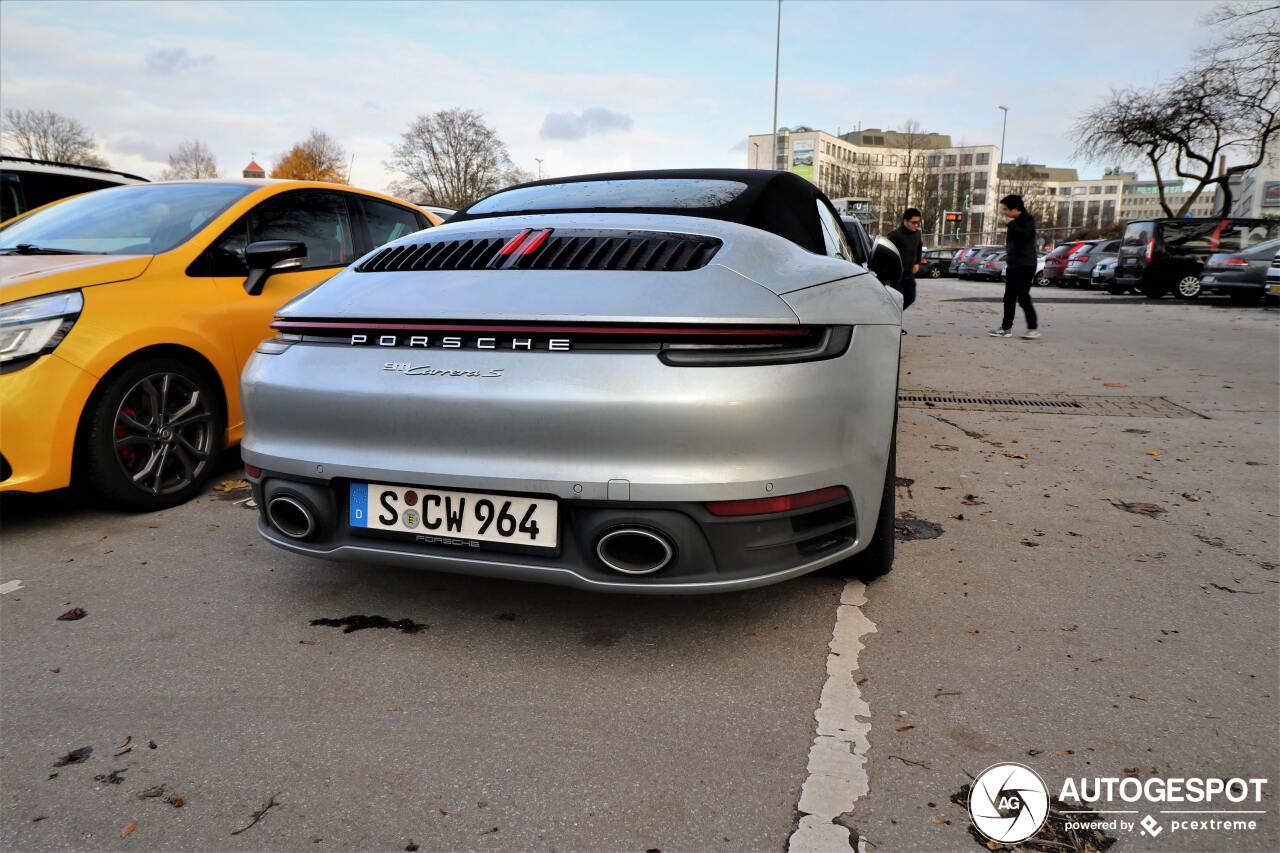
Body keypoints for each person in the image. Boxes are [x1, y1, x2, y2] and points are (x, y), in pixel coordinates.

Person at [988, 194, 1040, 339]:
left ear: (1015, 209)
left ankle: (1032, 328)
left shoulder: (1027, 220)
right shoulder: (1014, 222)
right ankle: (1006, 328)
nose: (1004, 212)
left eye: (1006, 209)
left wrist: (1011, 224)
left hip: (1026, 265)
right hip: (1013, 265)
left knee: (1023, 297)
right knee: (1009, 297)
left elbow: (1025, 235)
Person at [886, 208, 923, 310]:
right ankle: (893, 317)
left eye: (918, 223)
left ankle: (894, 314)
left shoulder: (917, 234)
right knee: (897, 298)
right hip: (896, 274)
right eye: (914, 222)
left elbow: (919, 248)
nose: (916, 225)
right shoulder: (894, 235)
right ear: (905, 221)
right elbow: (886, 252)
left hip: (909, 273)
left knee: (911, 297)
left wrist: (917, 263)